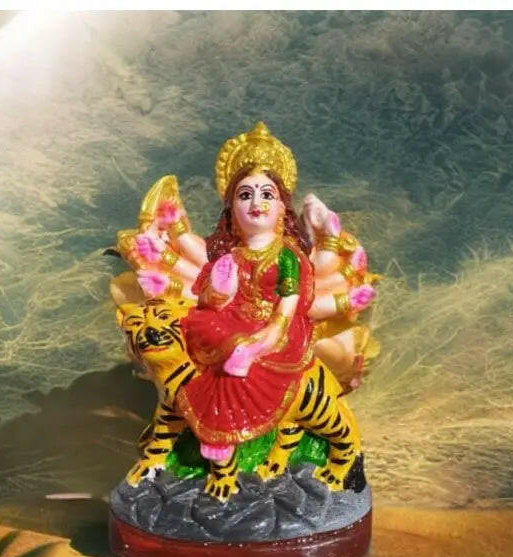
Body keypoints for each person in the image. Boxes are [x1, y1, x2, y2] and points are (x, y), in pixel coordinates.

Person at [115, 123, 378, 462]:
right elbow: (207, 298)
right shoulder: (231, 256)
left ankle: (227, 430)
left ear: (282, 207)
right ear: (232, 210)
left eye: (267, 194)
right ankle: (204, 424)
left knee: (236, 349)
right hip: (233, 319)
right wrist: (218, 292)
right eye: (245, 195)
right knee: (199, 332)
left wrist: (271, 331)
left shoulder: (287, 256)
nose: (257, 203)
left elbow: (291, 304)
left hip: (280, 328)